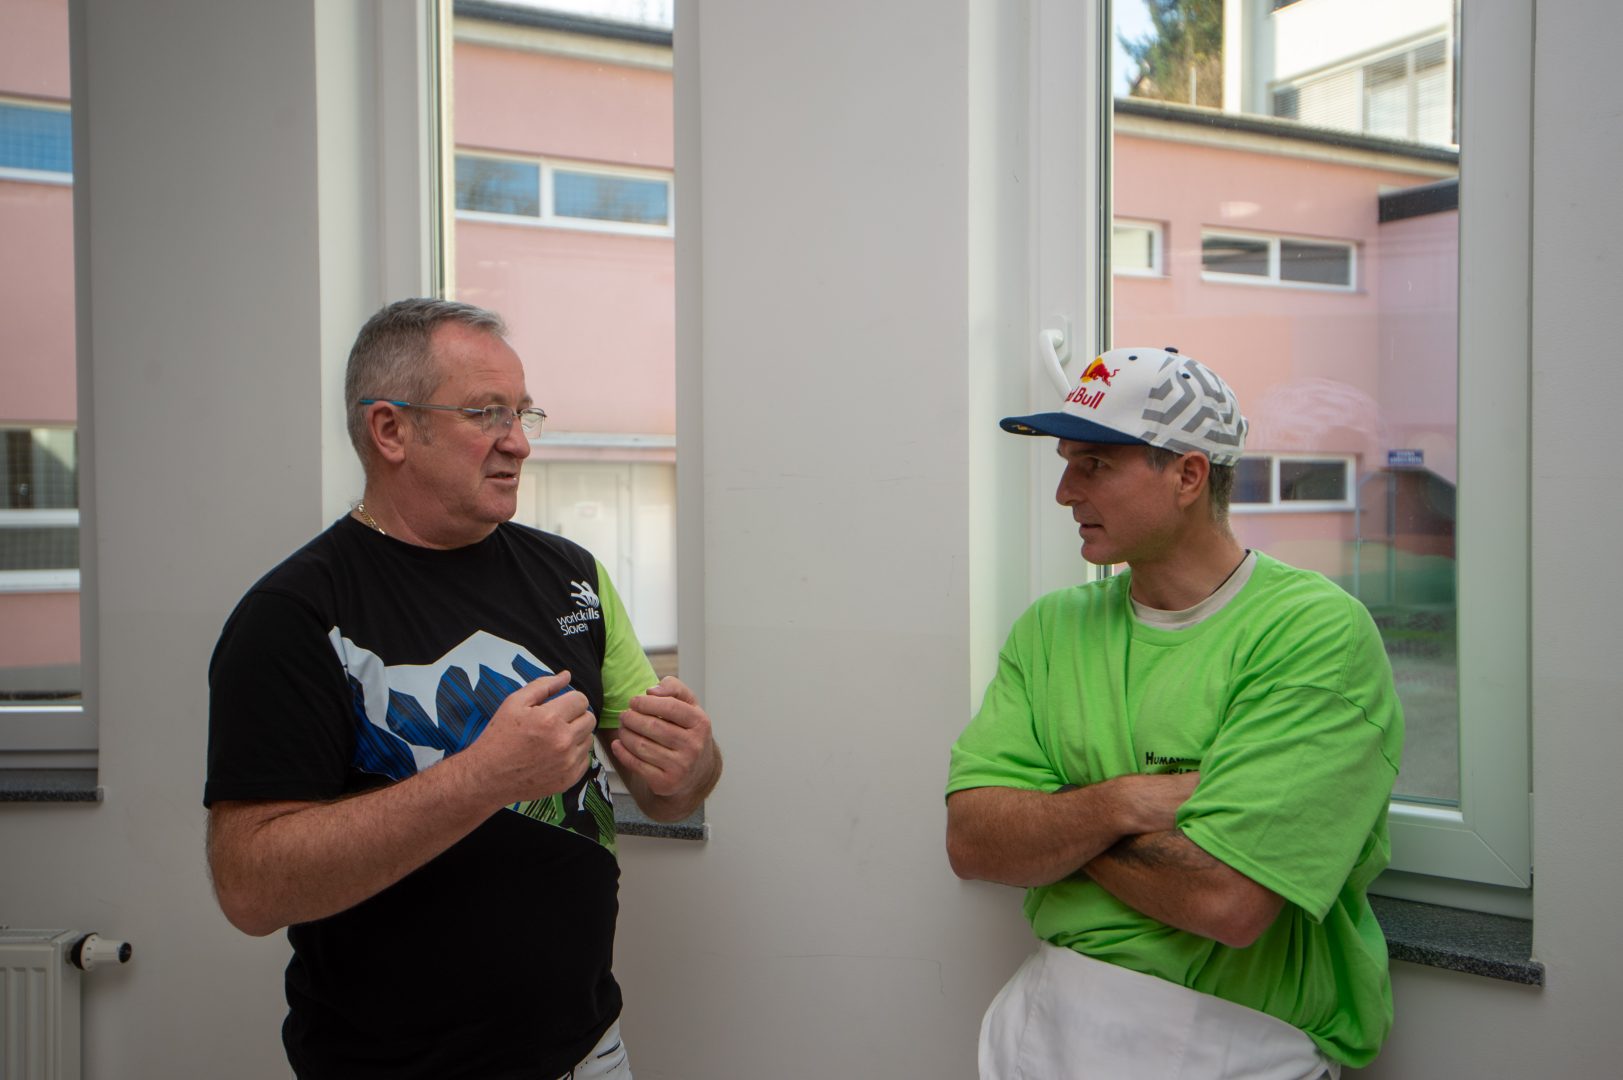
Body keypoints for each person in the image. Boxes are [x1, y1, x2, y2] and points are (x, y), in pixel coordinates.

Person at [204, 297, 721, 1080]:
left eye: (522, 413)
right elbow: (249, 887)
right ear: (390, 430)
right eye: (485, 413)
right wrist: (484, 778)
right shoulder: (294, 614)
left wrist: (693, 764)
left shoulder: (570, 574)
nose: (518, 442)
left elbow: (666, 794)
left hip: (589, 1052)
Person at [946, 347, 1403, 1079]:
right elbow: (973, 842)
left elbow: (1226, 900)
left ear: (1188, 475)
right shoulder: (1052, 627)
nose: (1064, 492)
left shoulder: (1310, 632)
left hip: (1231, 1042)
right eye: (1066, 464)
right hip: (1043, 1021)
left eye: (1094, 464)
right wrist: (1124, 803)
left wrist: (1053, 824)